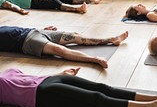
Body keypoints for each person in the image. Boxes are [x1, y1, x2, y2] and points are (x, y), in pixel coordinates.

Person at [0, 67, 157, 107]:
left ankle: (152, 98)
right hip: (41, 97)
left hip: (49, 80)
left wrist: (60, 74)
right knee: (97, 98)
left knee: (102, 87)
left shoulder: (8, 71)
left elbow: (27, 78)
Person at [0, 25, 128, 68]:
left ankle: (111, 40)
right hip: (26, 42)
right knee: (59, 50)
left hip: (35, 31)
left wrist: (43, 29)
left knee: (75, 37)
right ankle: (95, 59)